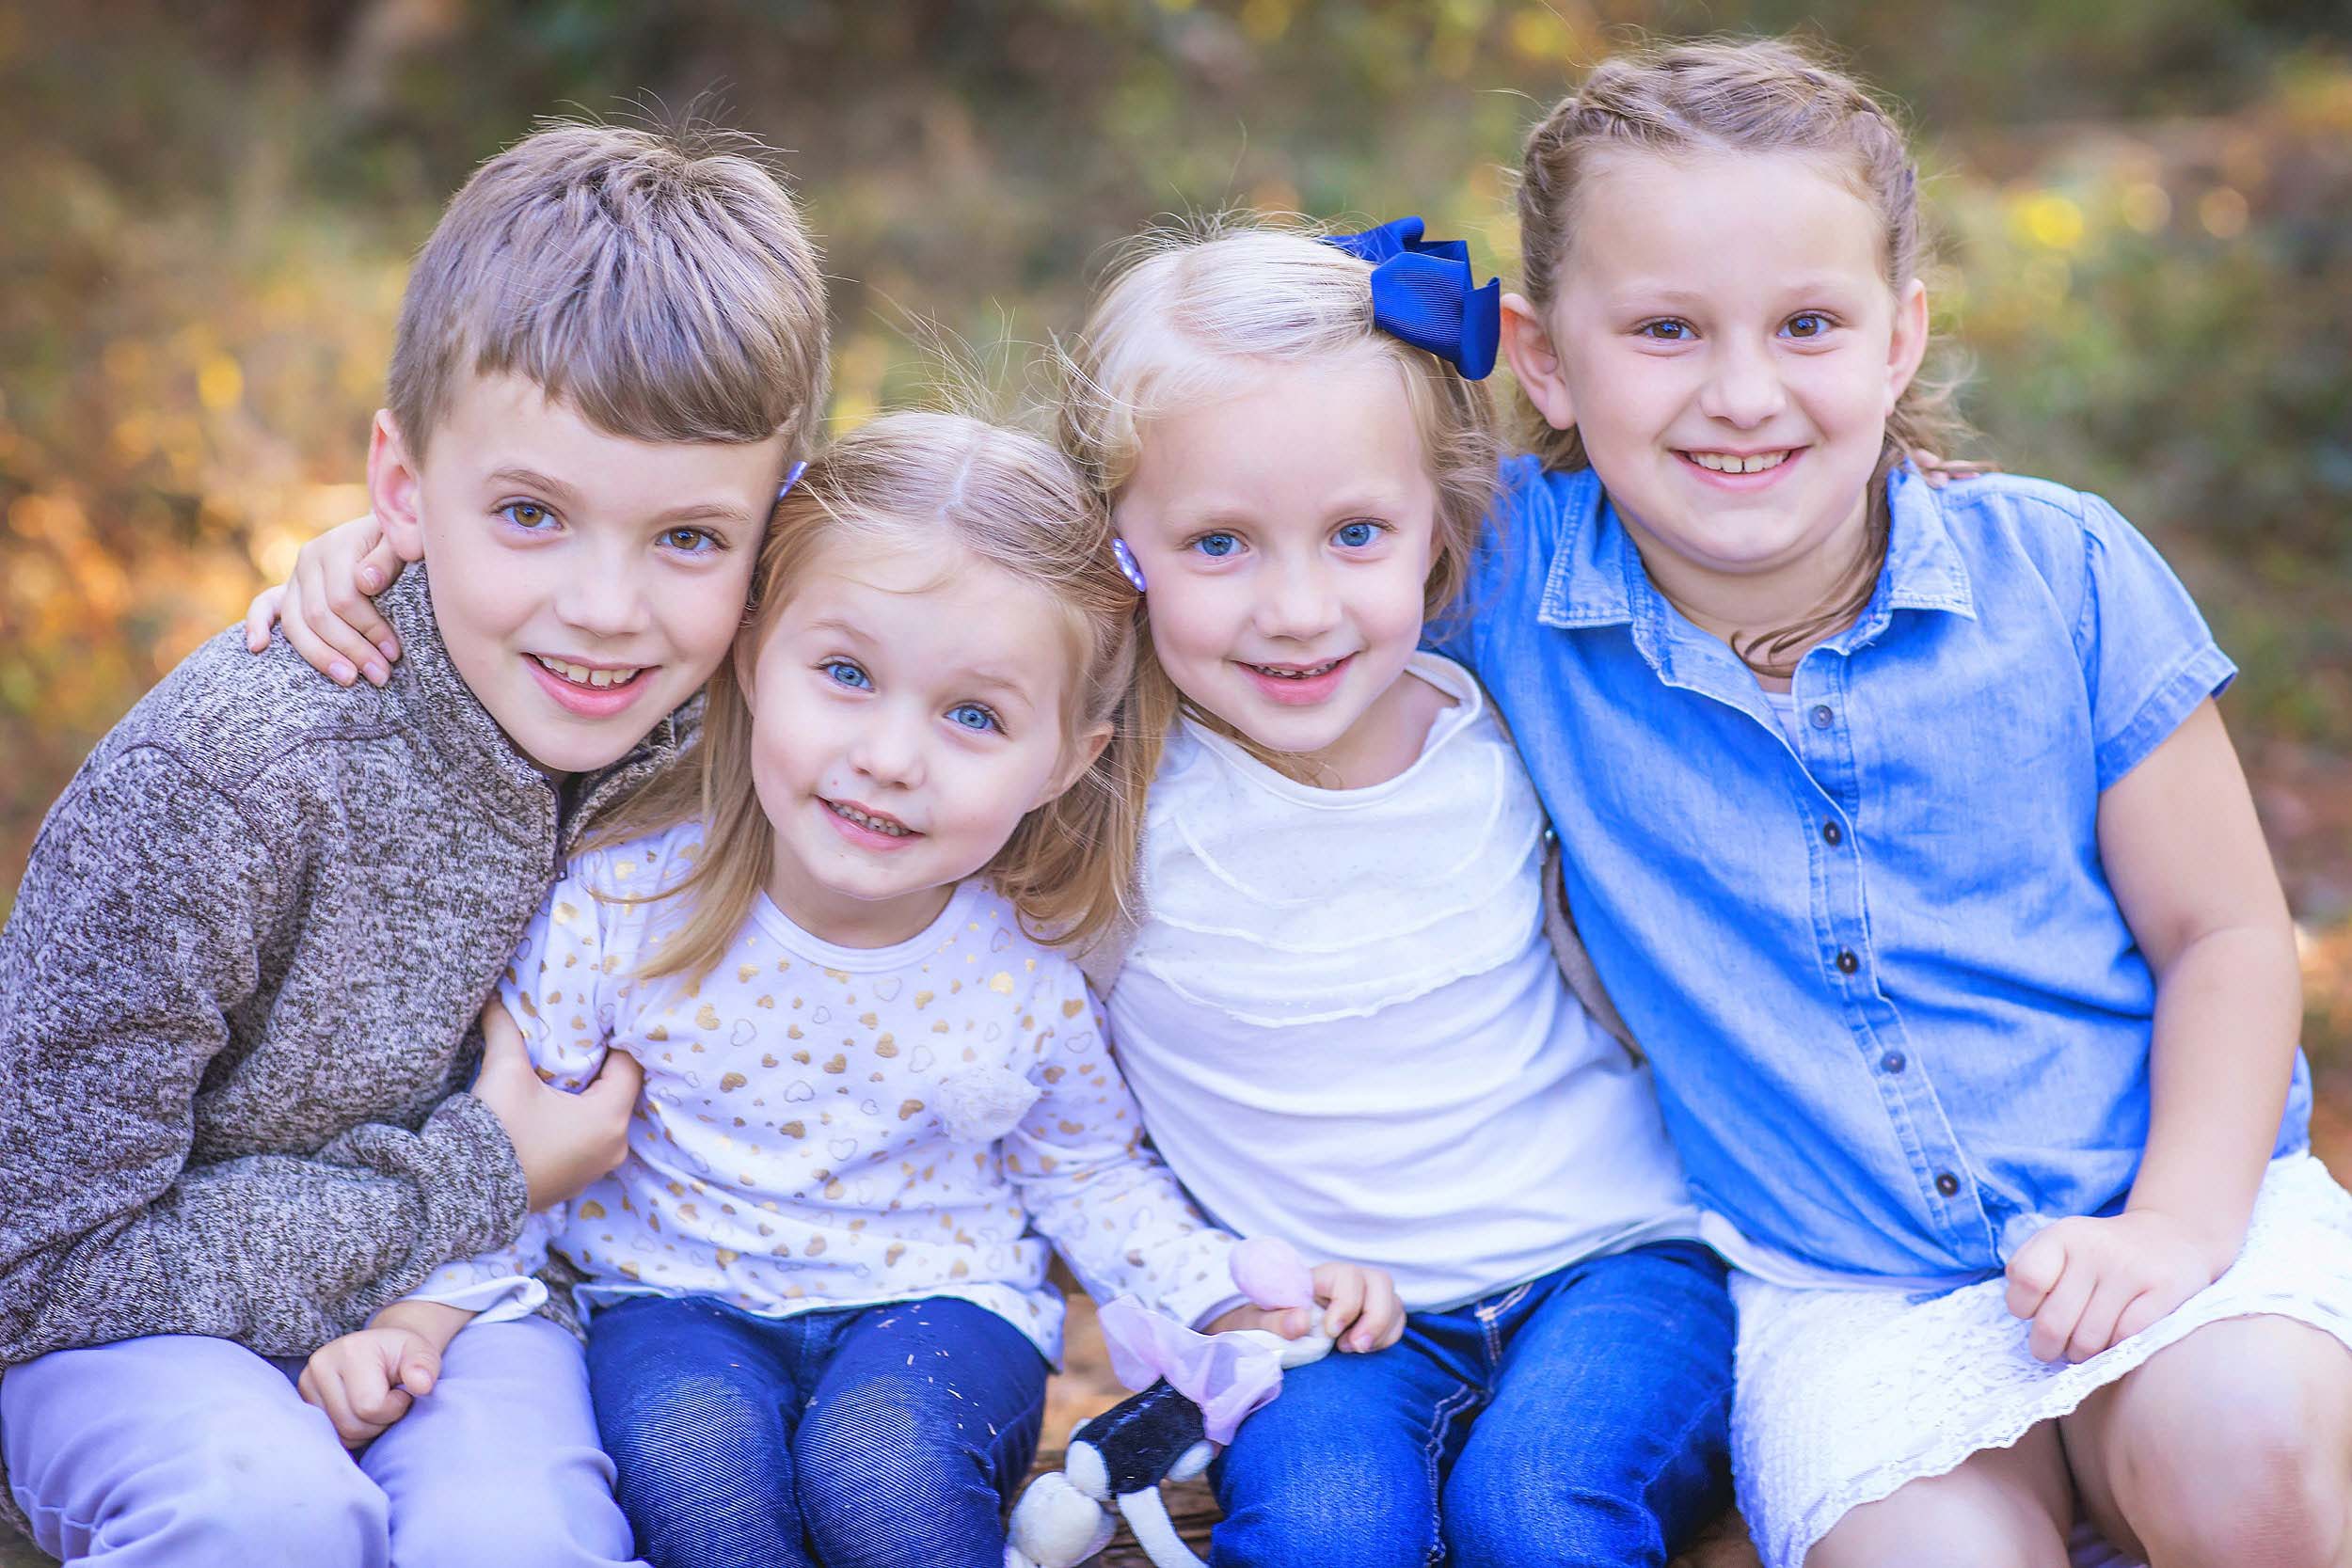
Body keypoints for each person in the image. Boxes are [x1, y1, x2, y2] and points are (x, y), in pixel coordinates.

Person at [1458, 36, 2352, 1568]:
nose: (1743, 393)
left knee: (2253, 1460)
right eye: (1665, 329)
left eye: (1807, 322)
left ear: (1898, 337)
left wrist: (2174, 1228)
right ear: (1545, 357)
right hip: (1849, 1283)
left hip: (2177, 1200)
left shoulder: (2060, 574)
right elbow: (1262, 513)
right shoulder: (1497, 587)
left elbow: (2225, 934)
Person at [288, 410, 1406, 1568]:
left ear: (1069, 757)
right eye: (845, 674)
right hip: (668, 1301)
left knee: (880, 1471)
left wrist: (1225, 1289)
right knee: (696, 1467)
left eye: (974, 715)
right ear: (752, 651)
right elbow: (522, 1143)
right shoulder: (619, 905)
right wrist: (423, 1309)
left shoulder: (1027, 965)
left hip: (944, 1303)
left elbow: (1086, 1172)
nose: (888, 755)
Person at [0, 119, 828, 1568]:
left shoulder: (738, 730)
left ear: (778, 527)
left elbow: (1018, 622)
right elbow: (32, 1264)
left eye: (690, 538)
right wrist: (479, 1167)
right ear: (400, 485)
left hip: (475, 1311)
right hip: (128, 1336)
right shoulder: (226, 779)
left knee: (521, 1537)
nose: (606, 607)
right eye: (528, 513)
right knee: (269, 1513)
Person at [1055, 218, 1734, 1567]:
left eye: (1356, 532)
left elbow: (1720, 539)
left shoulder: (1505, 725)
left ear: (1438, 530)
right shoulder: (1097, 802)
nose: (1299, 608)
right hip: (1327, 1319)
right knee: (1322, 1532)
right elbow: (1056, 1118)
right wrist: (1215, 1289)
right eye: (1219, 543)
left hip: (1617, 1262)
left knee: (1535, 1510)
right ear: (1115, 544)